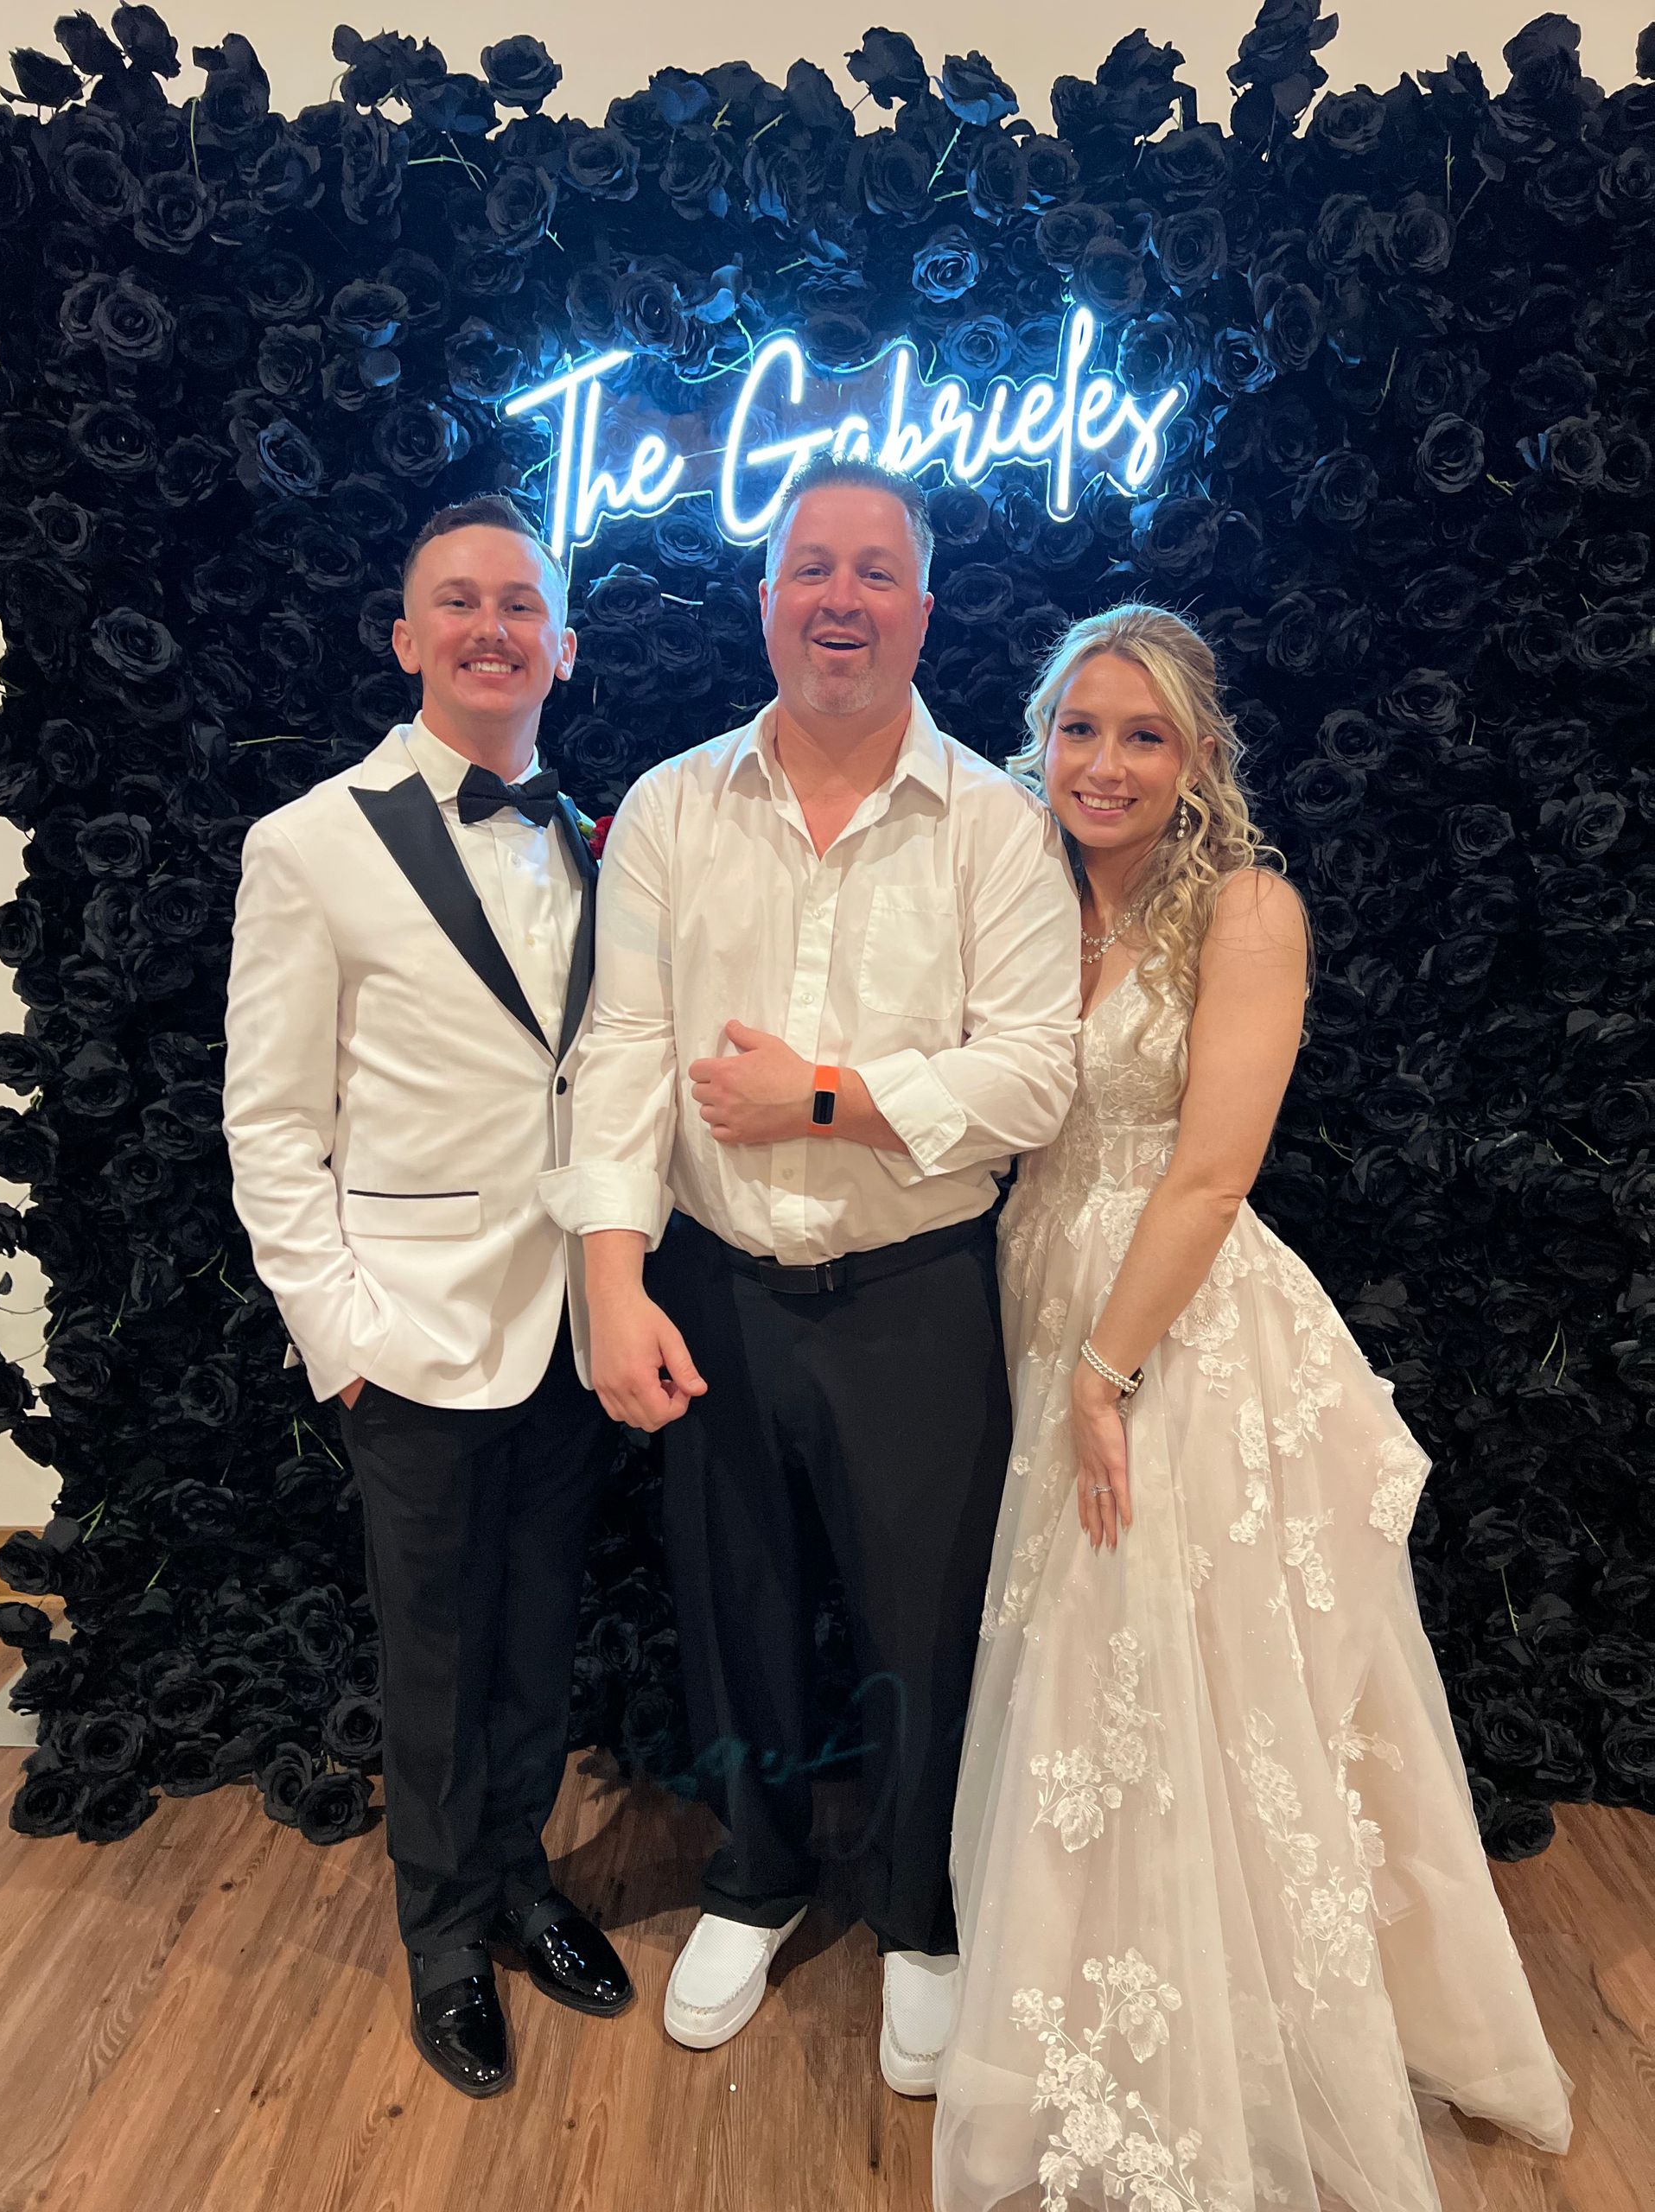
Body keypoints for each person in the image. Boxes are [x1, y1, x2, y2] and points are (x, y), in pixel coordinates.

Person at [933, 606, 1572, 2210]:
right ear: (1041, 738)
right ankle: (1072, 1993)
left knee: (1184, 1673)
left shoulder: (1247, 910)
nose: (1105, 762)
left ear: (1199, 756)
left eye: (1143, 734)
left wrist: (1105, 1370)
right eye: (1080, 728)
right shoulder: (1017, 893)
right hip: (1030, 1291)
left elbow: (1214, 1169)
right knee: (1080, 1682)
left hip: (1175, 1328)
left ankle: (1236, 2039)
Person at [542, 454, 1079, 2093]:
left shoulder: (996, 821)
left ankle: (919, 1911)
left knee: (928, 1621)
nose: (839, 596)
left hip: (917, 1297)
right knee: (736, 1605)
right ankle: (758, 1877)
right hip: (711, 1285)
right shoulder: (676, 807)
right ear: (766, 598)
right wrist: (613, 1283)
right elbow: (623, 1052)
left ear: (924, 606)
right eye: (809, 567)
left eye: (873, 570)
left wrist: (825, 1097)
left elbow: (1035, 1077)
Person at [222, 493, 633, 2101]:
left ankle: (524, 1884)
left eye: (519, 604)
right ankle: (445, 1935)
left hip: (571, 1324)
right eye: (456, 602)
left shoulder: (595, 836)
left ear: (563, 645)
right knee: (435, 1656)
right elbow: (271, 1125)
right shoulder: (311, 842)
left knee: (538, 1636)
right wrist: (342, 1341)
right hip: (408, 1335)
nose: (489, 626)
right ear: (406, 642)